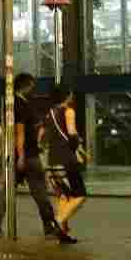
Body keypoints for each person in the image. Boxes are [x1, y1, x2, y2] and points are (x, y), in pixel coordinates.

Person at [0, 74, 71, 243]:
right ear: (25, 86)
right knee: (40, 193)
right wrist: (22, 156)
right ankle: (49, 226)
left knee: (7, 192)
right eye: (31, 85)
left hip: (21, 156)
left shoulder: (14, 104)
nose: (33, 89)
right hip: (28, 156)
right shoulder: (20, 105)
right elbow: (19, 132)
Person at [46, 87, 87, 240]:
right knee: (80, 195)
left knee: (63, 196)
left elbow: (43, 136)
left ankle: (62, 233)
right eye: (71, 94)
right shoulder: (68, 111)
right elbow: (71, 132)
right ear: (67, 96)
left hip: (51, 161)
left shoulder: (49, 114)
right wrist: (80, 149)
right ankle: (57, 222)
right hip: (66, 159)